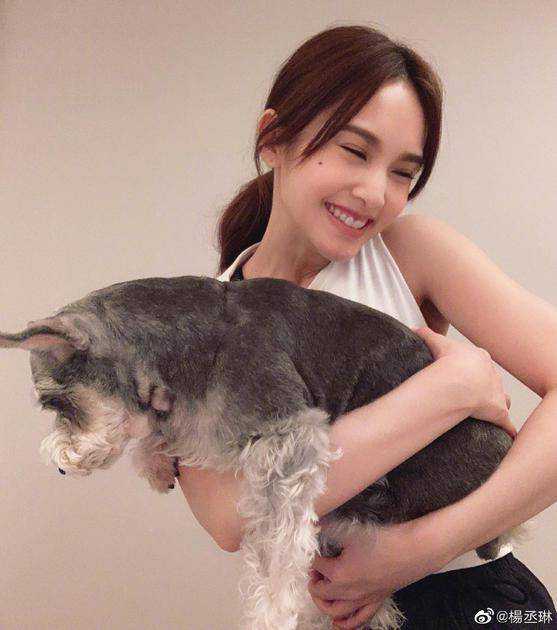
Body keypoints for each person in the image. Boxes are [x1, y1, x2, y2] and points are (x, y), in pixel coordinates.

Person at [177, 24, 557, 628]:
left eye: (403, 173)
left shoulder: (409, 253)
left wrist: (419, 548)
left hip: (474, 603)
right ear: (273, 138)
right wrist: (452, 389)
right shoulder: (206, 325)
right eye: (355, 151)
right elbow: (230, 517)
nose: (375, 193)